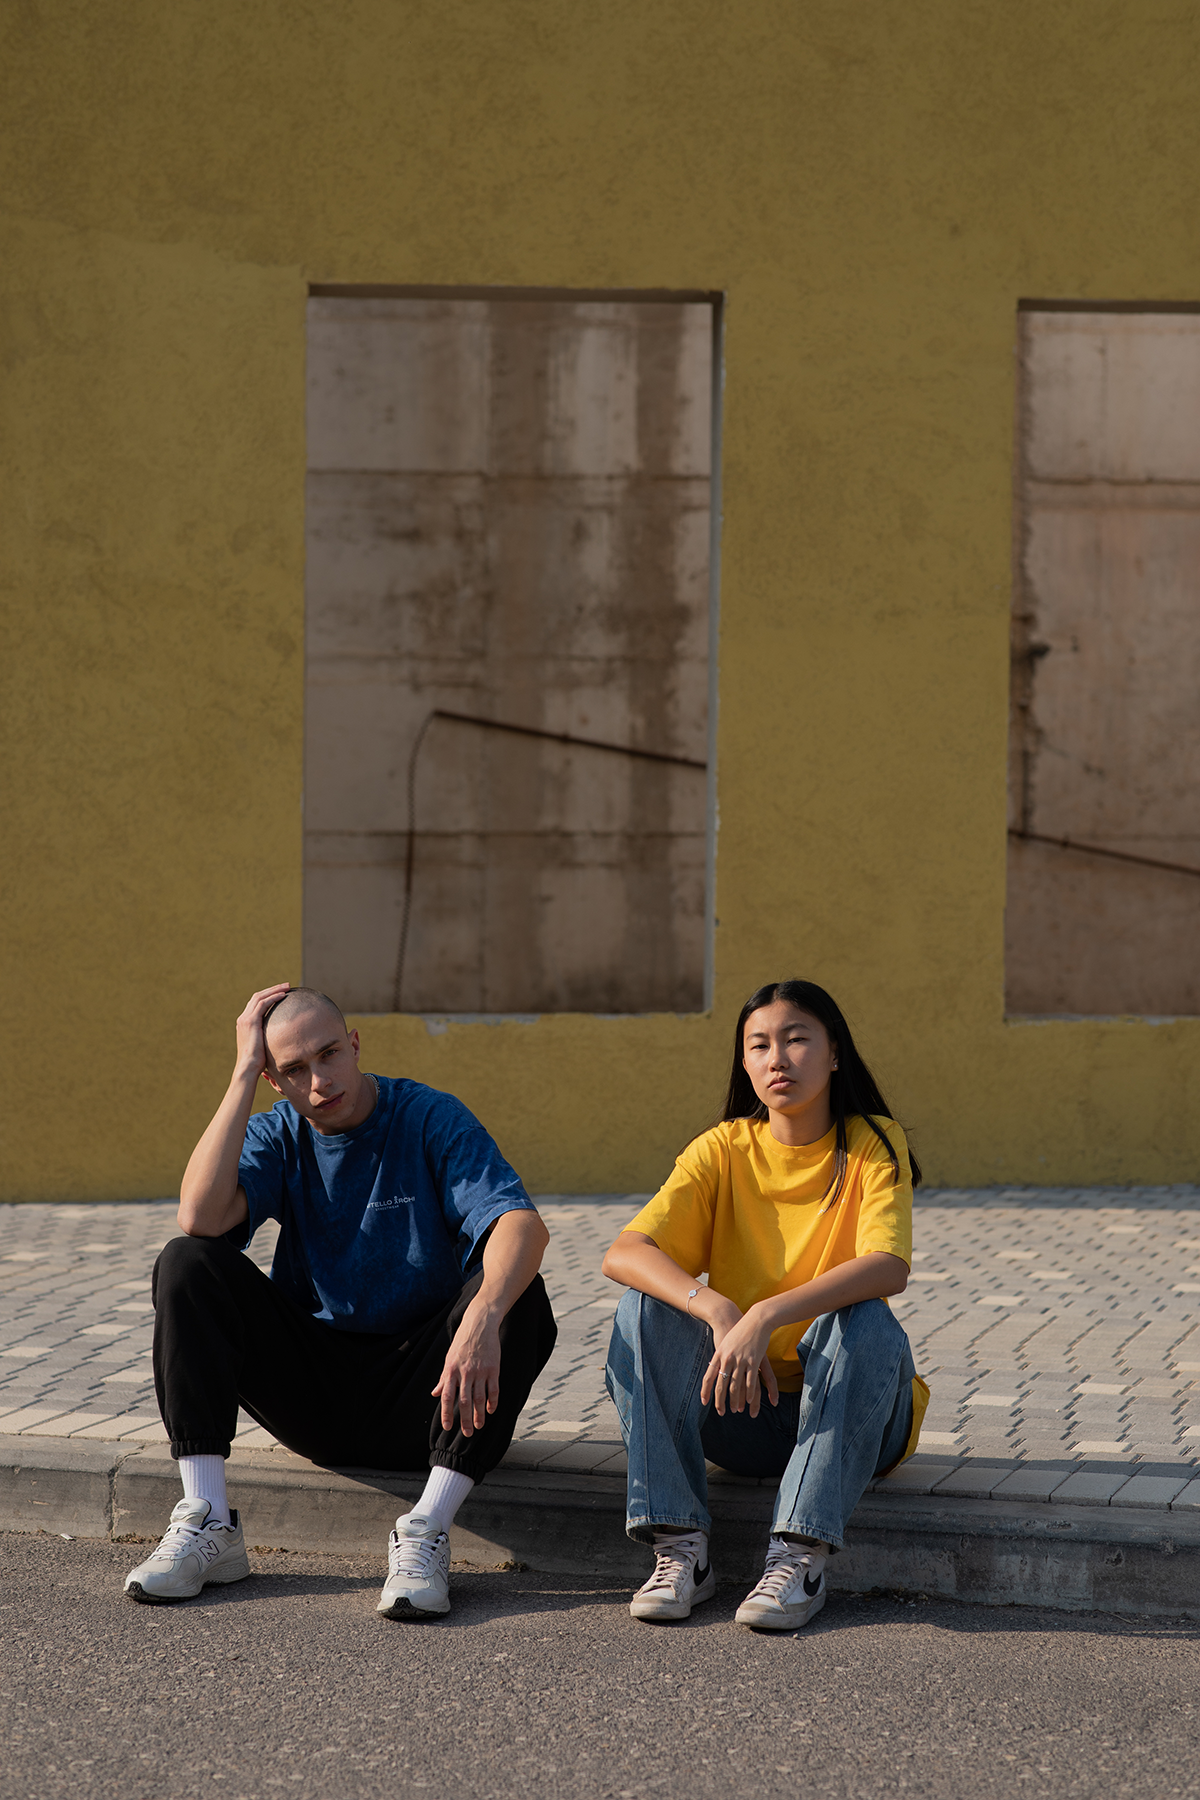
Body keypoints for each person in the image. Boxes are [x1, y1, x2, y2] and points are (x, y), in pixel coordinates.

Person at [124, 983, 556, 1619]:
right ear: (275, 1080)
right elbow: (201, 1215)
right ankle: (209, 1522)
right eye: (294, 1070)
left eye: (329, 1054)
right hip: (316, 1394)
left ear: (354, 1045)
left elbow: (521, 1224)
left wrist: (484, 1316)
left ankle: (427, 1528)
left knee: (519, 1295)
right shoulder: (278, 1135)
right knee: (188, 1262)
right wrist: (242, 1070)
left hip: (429, 1394)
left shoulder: (427, 1116)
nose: (320, 1080)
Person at [602, 978, 929, 1632]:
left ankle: (798, 1556)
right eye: (759, 1045)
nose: (777, 1057)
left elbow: (887, 1267)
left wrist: (766, 1313)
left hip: (852, 1411)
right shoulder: (721, 1150)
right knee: (644, 1311)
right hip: (740, 1410)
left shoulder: (871, 1140)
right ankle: (681, 1549)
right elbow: (625, 1252)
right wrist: (720, 1310)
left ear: (835, 1053)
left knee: (864, 1317)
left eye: (796, 1038)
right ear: (744, 1064)